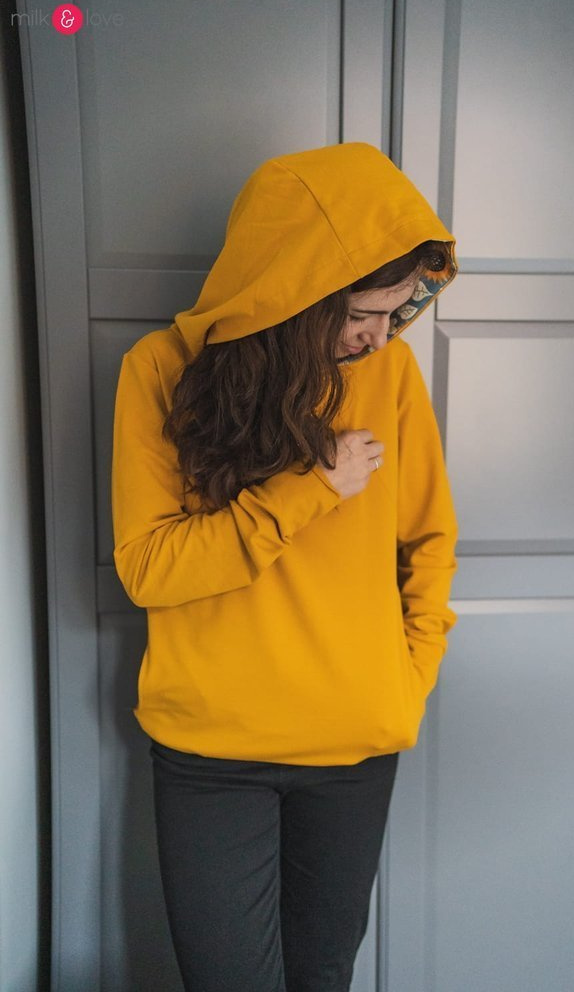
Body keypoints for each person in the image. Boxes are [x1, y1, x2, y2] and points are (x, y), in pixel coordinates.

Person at [111, 140, 460, 992]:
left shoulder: (390, 372)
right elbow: (150, 569)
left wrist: (405, 681)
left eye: (395, 311)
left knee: (322, 976)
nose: (380, 335)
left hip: (353, 746)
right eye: (360, 314)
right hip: (209, 753)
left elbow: (429, 540)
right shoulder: (158, 373)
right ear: (293, 295)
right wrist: (307, 490)